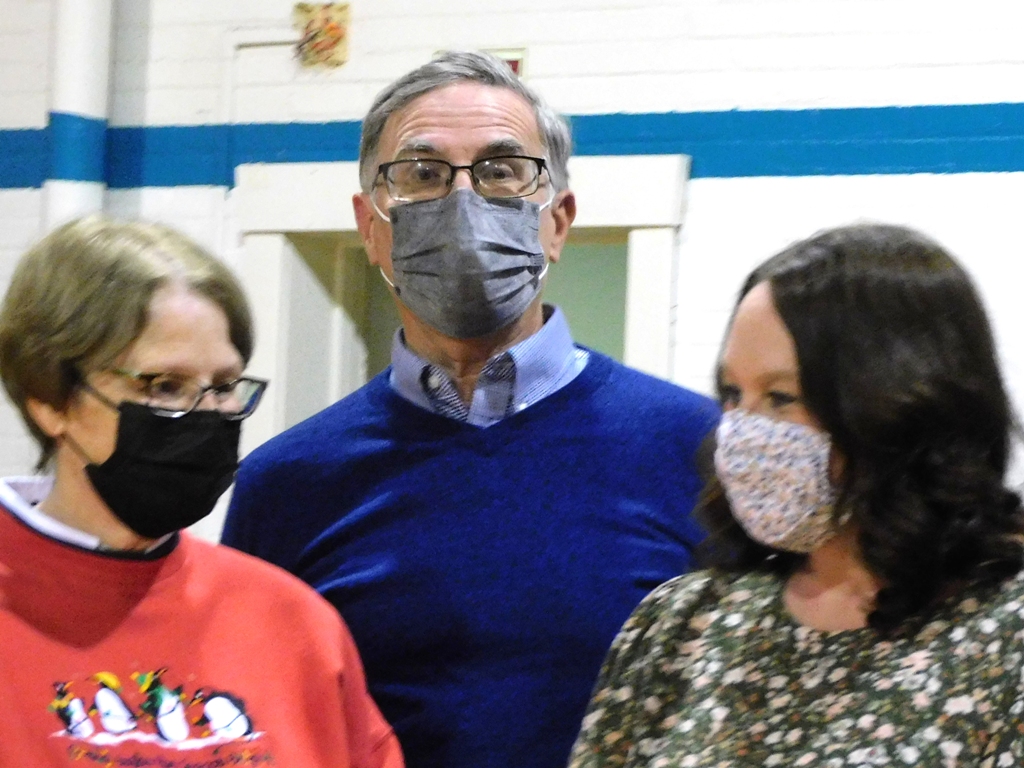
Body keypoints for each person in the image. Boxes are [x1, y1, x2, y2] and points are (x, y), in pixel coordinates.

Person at [221, 50, 719, 768]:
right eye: (422, 174)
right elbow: (252, 727)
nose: (463, 201)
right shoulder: (287, 482)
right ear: (370, 227)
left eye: (502, 170)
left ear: (558, 222)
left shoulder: (697, 449)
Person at [568, 222, 1024, 767]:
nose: (743, 432)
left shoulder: (1004, 633)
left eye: (781, 397)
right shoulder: (683, 622)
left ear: (898, 408)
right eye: (733, 394)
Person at [0, 215, 403, 768]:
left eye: (222, 386)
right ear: (51, 400)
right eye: (165, 386)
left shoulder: (292, 625)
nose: (206, 415)